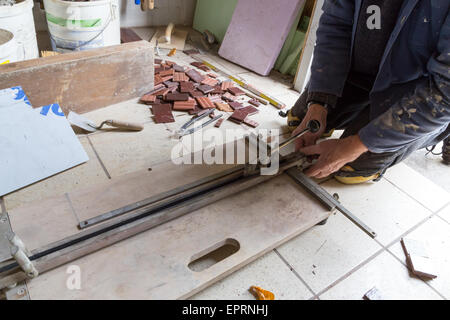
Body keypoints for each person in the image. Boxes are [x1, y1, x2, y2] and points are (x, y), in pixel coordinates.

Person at [287, 0, 449, 184]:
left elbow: (444, 95)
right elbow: (336, 24)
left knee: (350, 169)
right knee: (300, 122)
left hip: (412, 89)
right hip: (362, 72)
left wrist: (357, 145)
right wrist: (319, 101)